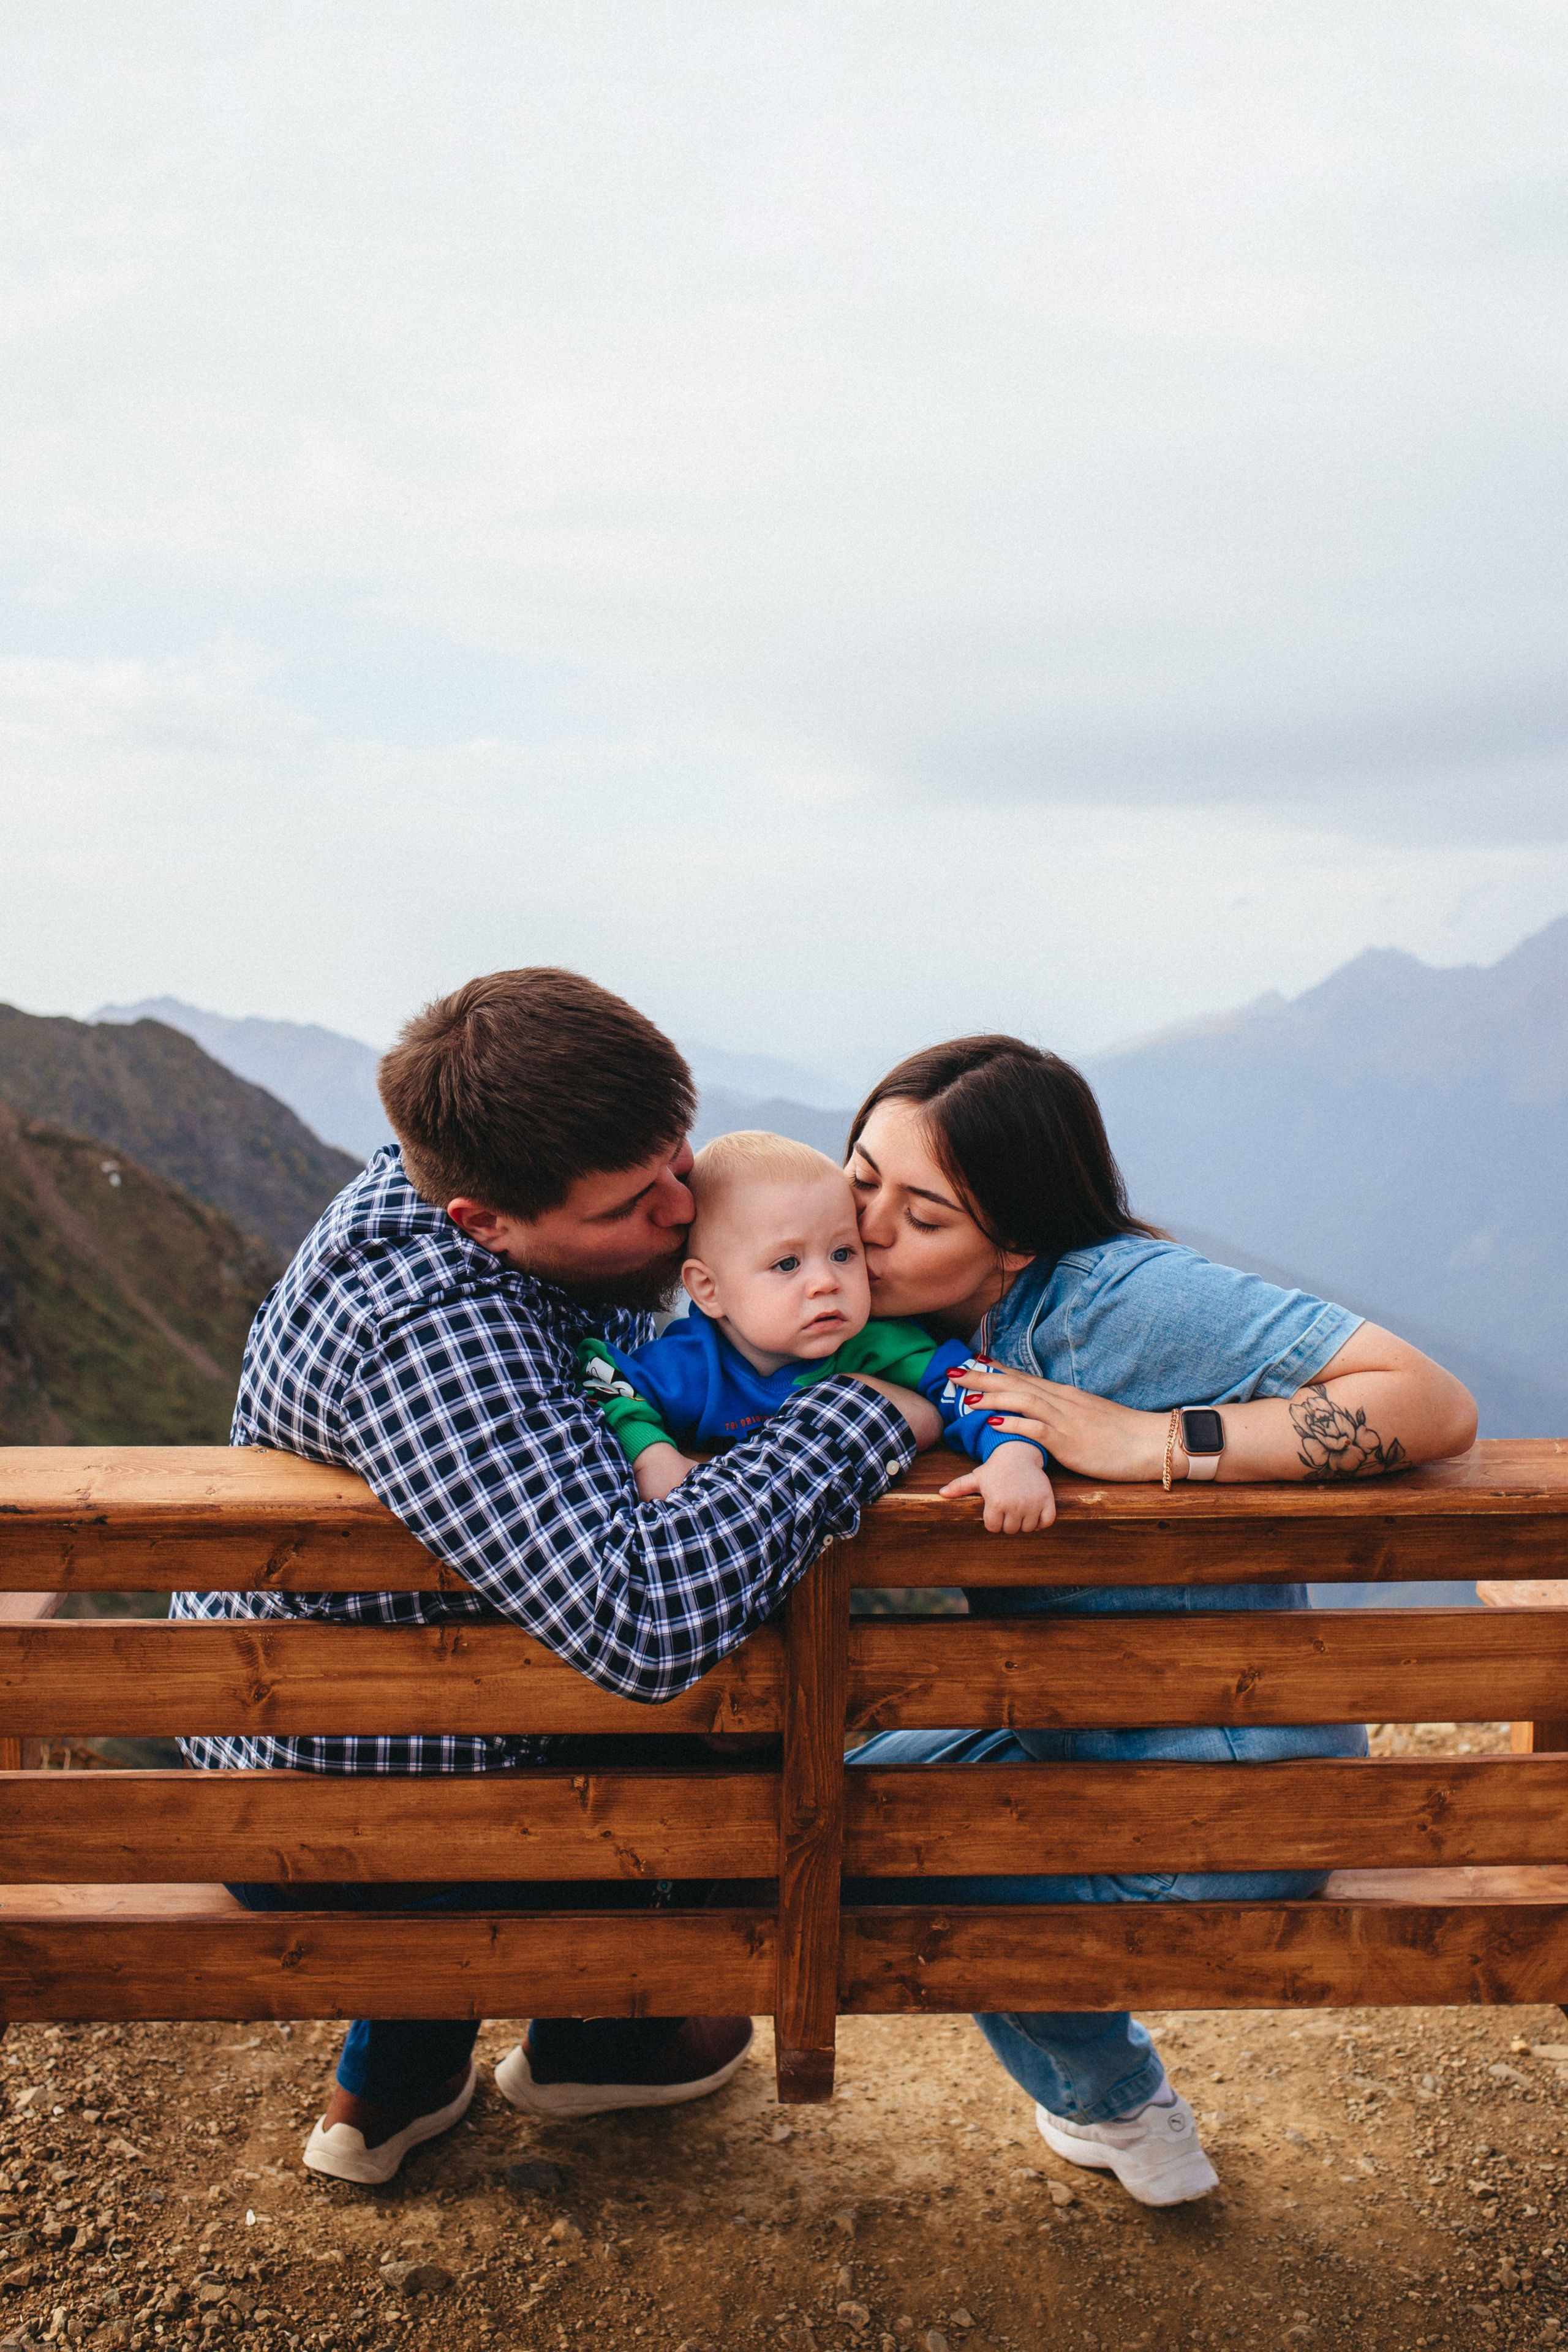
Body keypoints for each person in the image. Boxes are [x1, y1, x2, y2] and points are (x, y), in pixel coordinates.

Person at [175, 968, 940, 2185]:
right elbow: (642, 1620)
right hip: (341, 1833)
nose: (681, 1211)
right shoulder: (433, 1338)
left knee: (596, 1634)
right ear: (483, 1220)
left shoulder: (446, 1187)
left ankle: (397, 2082)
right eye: (634, 1205)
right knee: (731, 1675)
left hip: (346, 1733)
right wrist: (866, 1410)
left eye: (678, 1161)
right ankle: (603, 2039)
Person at [842, 1034, 1478, 2208]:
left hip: (1221, 1822)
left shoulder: (1119, 1301)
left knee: (872, 1848)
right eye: (860, 1179)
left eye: (921, 1214)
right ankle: (1116, 2108)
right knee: (828, 1805)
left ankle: (1120, 2105)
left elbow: (1431, 1403)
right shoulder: (911, 1321)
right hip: (1107, 1755)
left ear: (1017, 1239)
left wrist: (1156, 1443)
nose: (870, 1228)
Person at [579, 1128, 1054, 1534]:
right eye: (787, 1264)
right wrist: (652, 1454)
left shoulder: (875, 1344)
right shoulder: (687, 1365)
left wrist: (1013, 1456)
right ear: (709, 1289)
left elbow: (979, 1388)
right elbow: (601, 1374)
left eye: (843, 1253)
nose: (827, 1282)